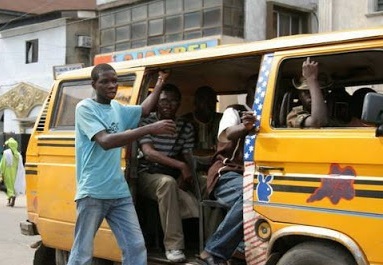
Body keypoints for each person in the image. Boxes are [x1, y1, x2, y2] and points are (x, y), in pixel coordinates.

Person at [67, 64, 176, 265]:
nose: (112, 85)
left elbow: (144, 109)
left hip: (118, 193)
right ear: (94, 84)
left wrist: (160, 82)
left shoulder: (117, 108)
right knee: (82, 253)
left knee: (135, 247)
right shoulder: (85, 108)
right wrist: (150, 128)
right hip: (93, 192)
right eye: (105, 81)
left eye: (115, 81)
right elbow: (106, 141)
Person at [197, 77, 257, 265]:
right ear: (250, 92)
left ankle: (240, 248)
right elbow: (228, 133)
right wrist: (244, 127)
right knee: (251, 196)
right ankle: (213, 252)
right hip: (228, 174)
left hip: (256, 175)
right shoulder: (235, 111)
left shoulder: (272, 115)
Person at [137, 83, 198, 263]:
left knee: (204, 182)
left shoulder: (185, 127)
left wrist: (187, 172)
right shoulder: (147, 122)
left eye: (173, 101)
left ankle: (210, 242)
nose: (167, 105)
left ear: (179, 104)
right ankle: (173, 246)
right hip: (146, 174)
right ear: (157, 102)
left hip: (170, 172)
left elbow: (188, 156)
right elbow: (148, 152)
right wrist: (180, 166)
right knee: (167, 183)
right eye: (163, 100)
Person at [287, 57, 328, 128]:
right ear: (300, 95)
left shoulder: (330, 110)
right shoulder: (295, 114)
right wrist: (311, 79)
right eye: (306, 92)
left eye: (317, 92)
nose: (311, 95)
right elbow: (317, 122)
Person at [0, 137, 25, 207]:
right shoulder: (18, 155)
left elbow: (3, 163)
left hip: (7, 172)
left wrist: (1, 172)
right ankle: (12, 199)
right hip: (15, 173)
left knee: (8, 186)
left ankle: (10, 199)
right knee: (13, 186)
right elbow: (20, 165)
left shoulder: (6, 153)